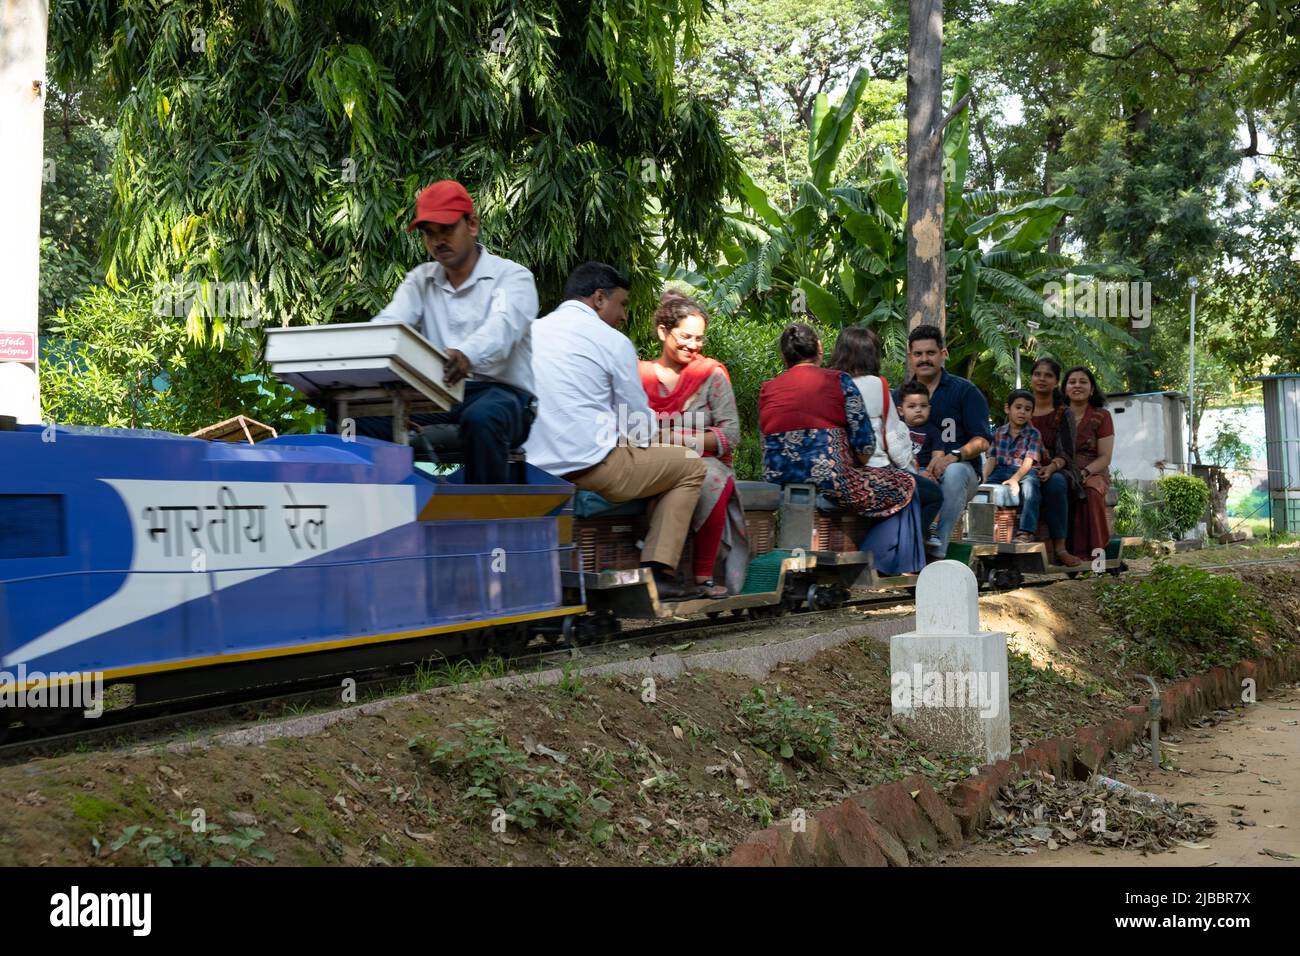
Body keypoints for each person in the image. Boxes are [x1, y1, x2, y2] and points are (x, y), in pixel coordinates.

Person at [524, 263, 706, 599]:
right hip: (590, 468)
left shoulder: (531, 332)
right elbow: (638, 426)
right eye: (621, 304)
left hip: (534, 467)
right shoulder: (613, 341)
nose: (623, 315)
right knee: (690, 466)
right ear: (598, 298)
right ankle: (659, 570)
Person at [362, 180, 538, 484]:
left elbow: (503, 327)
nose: (438, 241)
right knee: (351, 421)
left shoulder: (512, 277)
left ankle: (485, 520)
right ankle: (379, 515)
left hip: (504, 396)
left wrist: (467, 354)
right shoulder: (420, 280)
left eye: (445, 229)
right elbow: (390, 325)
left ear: (472, 225)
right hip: (437, 397)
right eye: (429, 233)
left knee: (482, 418)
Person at [760, 323, 921, 573]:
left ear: (784, 356)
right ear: (820, 349)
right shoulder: (838, 381)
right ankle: (874, 558)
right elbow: (865, 443)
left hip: (779, 479)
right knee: (905, 483)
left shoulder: (768, 388)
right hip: (831, 479)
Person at [639, 291, 747, 598]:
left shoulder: (711, 375)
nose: (693, 345)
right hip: (652, 458)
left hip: (705, 460)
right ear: (663, 331)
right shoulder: (641, 374)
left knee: (709, 478)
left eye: (699, 339)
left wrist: (681, 440)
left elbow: (731, 433)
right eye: (686, 336)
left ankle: (702, 575)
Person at [829, 326, 943, 548]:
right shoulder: (877, 385)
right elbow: (894, 438)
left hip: (837, 470)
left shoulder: (831, 383)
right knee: (933, 495)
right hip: (874, 470)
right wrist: (910, 470)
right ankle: (907, 547)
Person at [892, 324, 993, 558]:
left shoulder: (965, 392)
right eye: (918, 354)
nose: (924, 359)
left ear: (943, 353)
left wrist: (953, 456)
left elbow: (983, 440)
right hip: (913, 471)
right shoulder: (898, 396)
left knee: (954, 472)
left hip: (960, 472)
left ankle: (937, 548)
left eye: (930, 353)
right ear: (910, 357)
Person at [1028, 356, 1081, 566]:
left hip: (1056, 467)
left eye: (1048, 375)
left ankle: (1060, 548)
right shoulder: (1021, 407)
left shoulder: (1063, 412)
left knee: (1056, 484)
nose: (1042, 379)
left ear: (1056, 382)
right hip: (1020, 467)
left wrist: (1050, 468)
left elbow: (1067, 453)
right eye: (1037, 374)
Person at [1062, 365, 1115, 561]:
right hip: (1062, 470)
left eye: (1083, 382)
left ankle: (1096, 557)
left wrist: (1084, 473)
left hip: (1093, 472)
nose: (1077, 386)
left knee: (1090, 494)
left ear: (1092, 389)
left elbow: (1105, 456)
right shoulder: (1057, 415)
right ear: (1065, 388)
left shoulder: (1102, 416)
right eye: (1072, 382)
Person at [983, 389, 1045, 543]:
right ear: (1007, 409)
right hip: (1000, 470)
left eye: (1027, 409)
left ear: (1031, 413)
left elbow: (1029, 461)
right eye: (1018, 407)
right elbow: (992, 458)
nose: (1022, 412)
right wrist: (984, 477)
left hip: (1024, 471)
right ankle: (984, 529)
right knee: (983, 491)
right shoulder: (998, 432)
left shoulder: (1034, 433)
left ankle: (1026, 531)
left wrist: (1015, 479)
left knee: (1031, 487)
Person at [898, 380, 941, 473]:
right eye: (912, 406)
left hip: (925, 470)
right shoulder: (896, 430)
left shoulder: (934, 431)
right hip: (902, 471)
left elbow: (938, 455)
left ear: (929, 409)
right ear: (901, 411)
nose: (918, 410)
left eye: (923, 406)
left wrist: (929, 471)